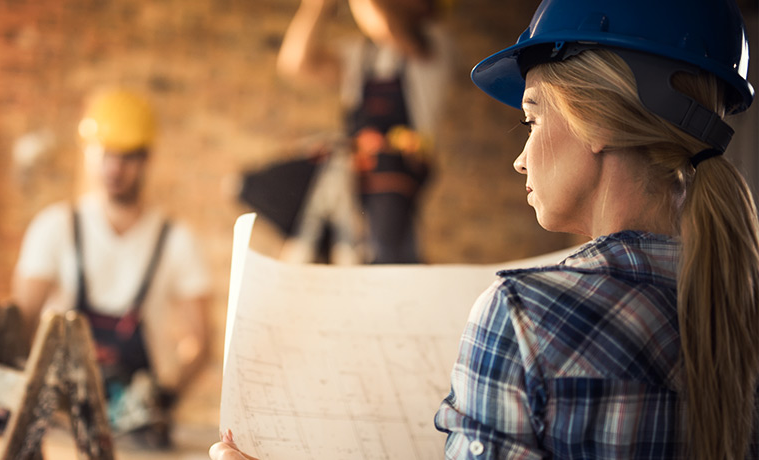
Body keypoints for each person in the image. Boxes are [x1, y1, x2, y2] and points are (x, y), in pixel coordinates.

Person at [212, 0, 758, 458]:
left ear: (599, 122)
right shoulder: (736, 296)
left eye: (532, 118)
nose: (519, 160)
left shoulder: (523, 316)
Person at [13, 88, 212, 450]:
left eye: (127, 157)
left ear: (146, 159)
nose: (114, 168)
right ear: (89, 153)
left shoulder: (177, 241)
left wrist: (162, 398)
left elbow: (201, 343)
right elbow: (21, 324)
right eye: (105, 155)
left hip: (133, 435)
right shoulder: (55, 227)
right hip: (56, 423)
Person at [273, 0, 453, 264]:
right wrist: (318, 6)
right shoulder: (360, 52)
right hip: (352, 174)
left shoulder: (433, 43)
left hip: (395, 177)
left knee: (387, 262)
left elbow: (385, 25)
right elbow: (297, 62)